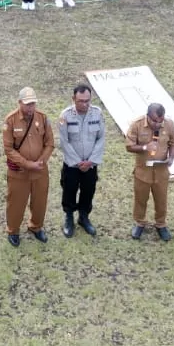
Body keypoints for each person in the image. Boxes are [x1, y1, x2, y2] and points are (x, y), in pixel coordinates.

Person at [3, 87, 54, 246]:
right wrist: (27, 164)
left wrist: (41, 161)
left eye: (33, 104)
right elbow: (8, 149)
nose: (31, 107)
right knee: (16, 203)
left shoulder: (43, 118)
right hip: (19, 172)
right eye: (27, 104)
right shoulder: (10, 120)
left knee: (40, 201)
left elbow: (50, 143)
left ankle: (36, 227)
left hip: (40, 170)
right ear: (19, 103)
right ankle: (13, 230)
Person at [58, 82, 106, 237]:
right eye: (81, 101)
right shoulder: (65, 116)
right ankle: (69, 217)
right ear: (73, 99)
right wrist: (78, 162)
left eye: (87, 100)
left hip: (90, 164)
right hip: (72, 165)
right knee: (69, 190)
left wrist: (90, 161)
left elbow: (101, 138)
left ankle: (84, 217)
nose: (85, 104)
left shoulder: (97, 113)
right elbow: (64, 141)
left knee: (88, 190)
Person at [126, 104, 174, 240]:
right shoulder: (137, 125)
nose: (157, 124)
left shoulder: (169, 124)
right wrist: (144, 147)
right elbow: (129, 146)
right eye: (154, 120)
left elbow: (173, 142)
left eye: (160, 121)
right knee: (140, 199)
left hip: (161, 172)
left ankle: (161, 224)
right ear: (147, 116)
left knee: (161, 200)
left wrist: (171, 157)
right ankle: (139, 222)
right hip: (143, 171)